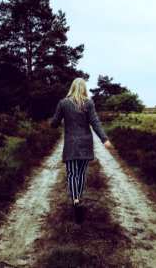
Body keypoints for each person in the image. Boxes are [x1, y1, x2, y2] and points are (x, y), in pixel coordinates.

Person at [51, 78, 112, 223]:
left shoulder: (63, 103)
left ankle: (76, 200)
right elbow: (95, 123)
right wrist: (105, 139)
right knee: (81, 173)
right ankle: (79, 198)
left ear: (72, 87)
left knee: (72, 173)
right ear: (84, 88)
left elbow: (54, 123)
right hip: (85, 143)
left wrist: (56, 123)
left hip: (71, 143)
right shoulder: (89, 103)